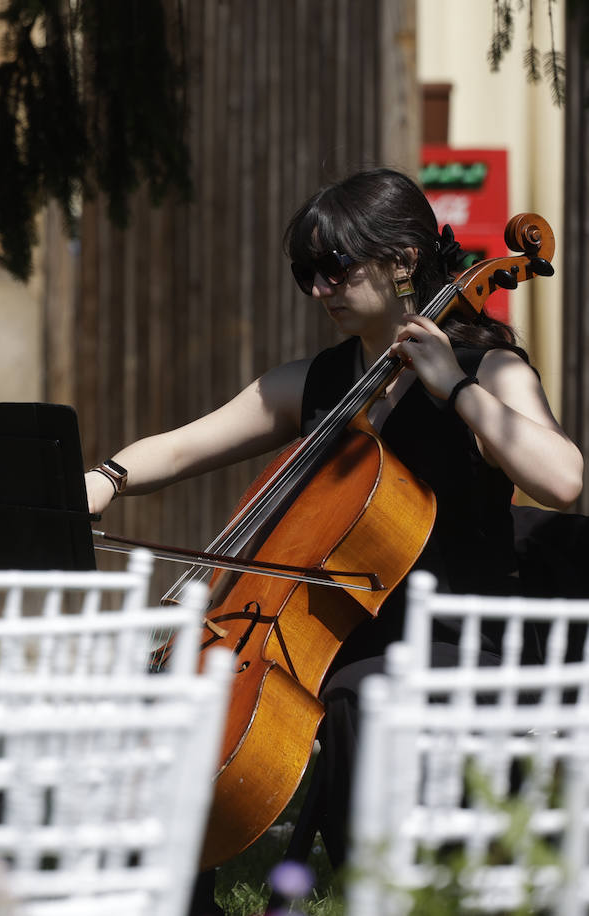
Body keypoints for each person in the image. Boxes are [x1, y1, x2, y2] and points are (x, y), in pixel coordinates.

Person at [83, 168, 582, 904]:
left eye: (335, 268)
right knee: (184, 699)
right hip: (335, 632)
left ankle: (378, 888)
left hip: (448, 634)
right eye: (305, 273)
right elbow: (188, 445)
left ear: (405, 260)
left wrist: (455, 389)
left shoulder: (489, 366)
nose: (319, 289)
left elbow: (563, 480)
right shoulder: (323, 382)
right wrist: (107, 477)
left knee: (361, 697)